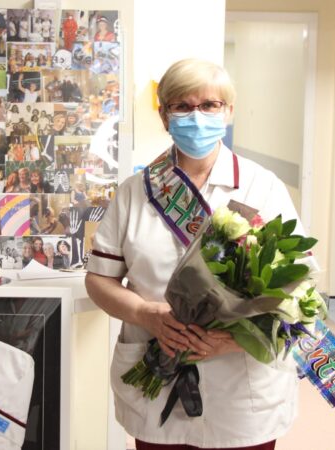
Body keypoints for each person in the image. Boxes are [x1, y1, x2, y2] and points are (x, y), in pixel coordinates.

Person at [84, 59, 310, 450]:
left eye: (209, 105)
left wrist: (234, 340)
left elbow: (297, 291)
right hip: (157, 377)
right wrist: (145, 314)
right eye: (182, 106)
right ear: (164, 115)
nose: (197, 116)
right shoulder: (136, 192)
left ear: (229, 111)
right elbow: (99, 279)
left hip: (242, 389)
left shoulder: (263, 188)